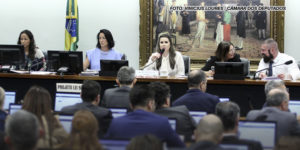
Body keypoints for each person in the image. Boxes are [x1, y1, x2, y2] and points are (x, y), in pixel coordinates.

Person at [105, 84, 185, 148]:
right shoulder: (162, 123)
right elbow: (180, 147)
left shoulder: (116, 123)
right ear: (150, 104)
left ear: (131, 105)